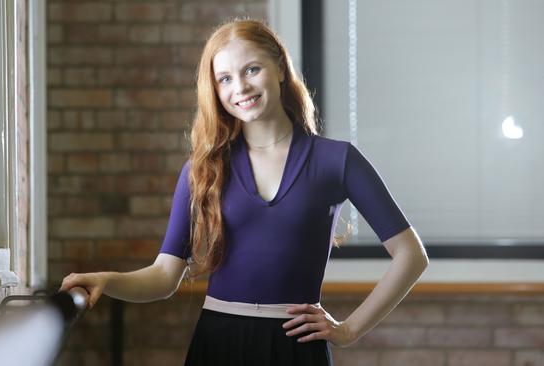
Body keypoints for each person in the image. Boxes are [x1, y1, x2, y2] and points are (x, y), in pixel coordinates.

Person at [60, 18, 429, 365]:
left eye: (252, 69)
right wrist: (107, 280)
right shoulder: (201, 171)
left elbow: (411, 255)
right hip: (217, 343)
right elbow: (163, 276)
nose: (240, 88)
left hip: (297, 347)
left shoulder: (338, 160)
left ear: (280, 69)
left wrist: (348, 330)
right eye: (225, 78)